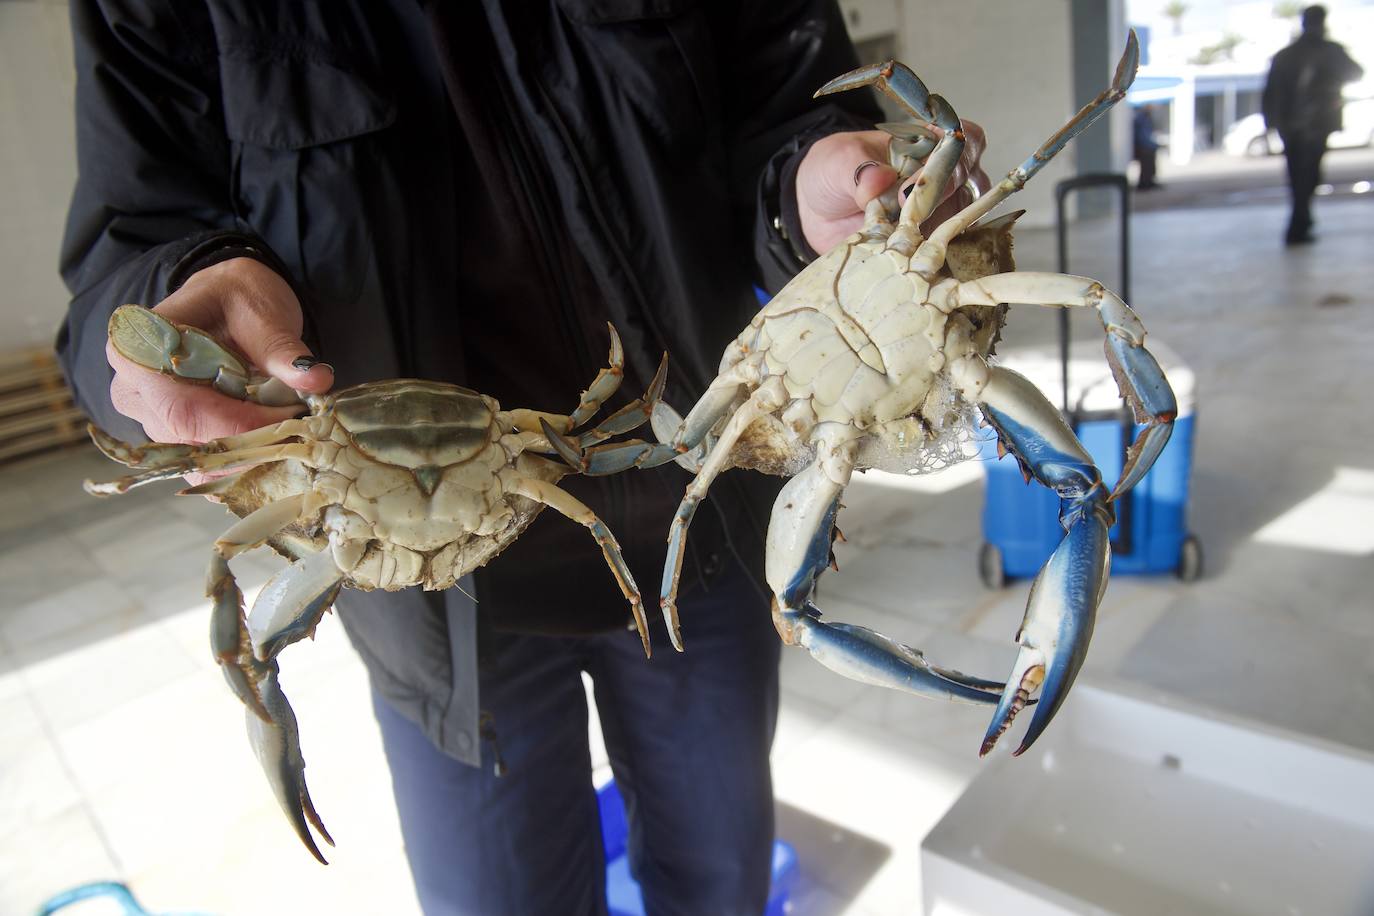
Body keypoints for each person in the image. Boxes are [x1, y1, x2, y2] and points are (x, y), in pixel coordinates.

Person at [58, 2, 986, 913]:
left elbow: (792, 104)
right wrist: (181, 300)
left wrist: (818, 184)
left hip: (695, 519)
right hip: (421, 601)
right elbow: (132, 234)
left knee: (720, 882)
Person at [1262, 4, 1364, 245]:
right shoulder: (1328, 51)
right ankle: (1299, 224)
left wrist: (1271, 123)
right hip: (1315, 124)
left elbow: (1269, 93)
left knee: (1299, 175)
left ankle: (1300, 222)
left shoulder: (1286, 55)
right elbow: (1355, 73)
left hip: (1293, 125)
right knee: (1308, 175)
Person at [1132, 104, 1162, 191]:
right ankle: (1145, 182)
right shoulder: (1141, 119)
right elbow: (1143, 137)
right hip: (1142, 146)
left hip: (1145, 146)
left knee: (1150, 162)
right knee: (1147, 162)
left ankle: (1148, 181)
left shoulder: (1145, 119)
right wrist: (1154, 145)